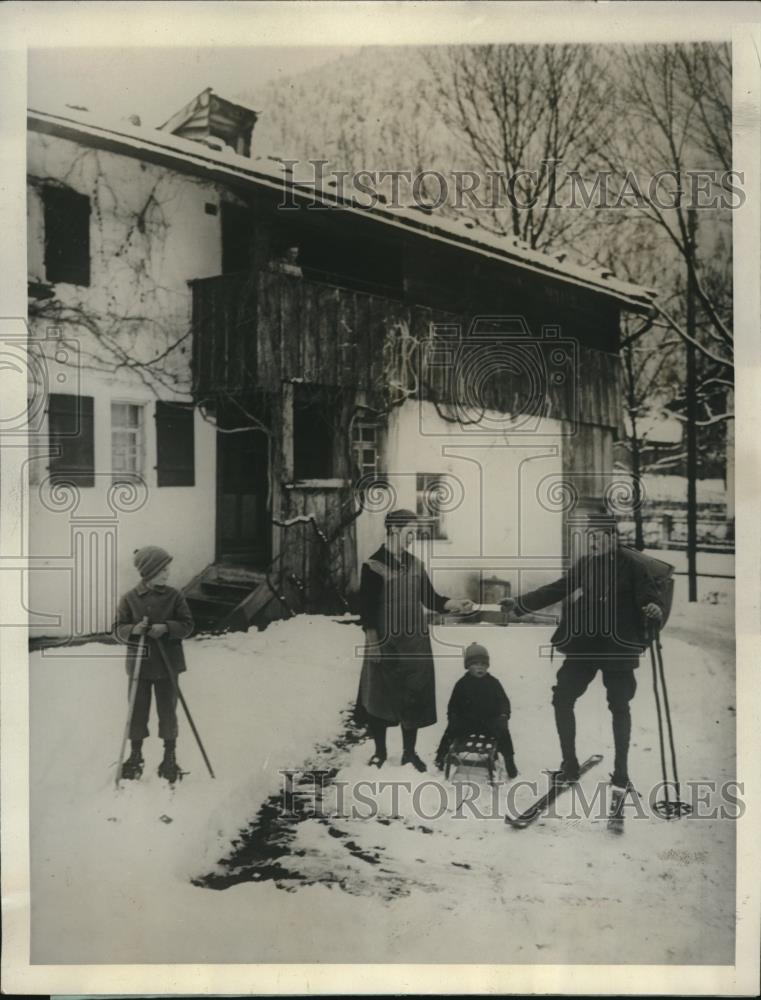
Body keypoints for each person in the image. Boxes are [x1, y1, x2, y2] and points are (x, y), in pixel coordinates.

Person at [501, 509, 663, 790]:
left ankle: (621, 772)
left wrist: (653, 607)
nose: (593, 543)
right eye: (590, 537)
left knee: (619, 705)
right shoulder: (586, 564)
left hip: (618, 647)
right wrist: (519, 603)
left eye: (599, 537)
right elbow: (558, 588)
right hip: (585, 644)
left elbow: (649, 595)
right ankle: (569, 765)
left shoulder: (634, 566)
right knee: (562, 697)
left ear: (613, 538)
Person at [356, 508, 474, 772]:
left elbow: (430, 599)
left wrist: (454, 603)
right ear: (394, 531)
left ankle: (410, 753)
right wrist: (372, 641)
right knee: (380, 696)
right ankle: (380, 752)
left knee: (414, 694)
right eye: (410, 533)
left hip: (414, 643)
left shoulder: (415, 565)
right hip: (384, 642)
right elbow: (366, 609)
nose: (413, 538)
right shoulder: (373, 565)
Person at [115, 545, 194, 783]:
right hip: (140, 666)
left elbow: (188, 625)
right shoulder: (129, 599)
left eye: (168, 570)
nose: (167, 574)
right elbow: (117, 631)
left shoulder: (175, 596)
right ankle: (135, 755)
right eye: (163, 570)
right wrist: (133, 630)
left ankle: (169, 757)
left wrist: (168, 628)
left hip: (168, 664)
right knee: (137, 711)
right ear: (149, 572)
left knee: (167, 711)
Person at [435, 641, 518, 779]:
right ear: (468, 666)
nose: (480, 667)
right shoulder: (462, 684)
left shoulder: (493, 683)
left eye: (483, 664)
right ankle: (440, 756)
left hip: (488, 723)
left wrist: (503, 715)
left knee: (504, 733)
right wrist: (453, 717)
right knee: (450, 730)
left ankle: (510, 761)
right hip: (467, 723)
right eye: (475, 664)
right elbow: (453, 705)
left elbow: (503, 701)